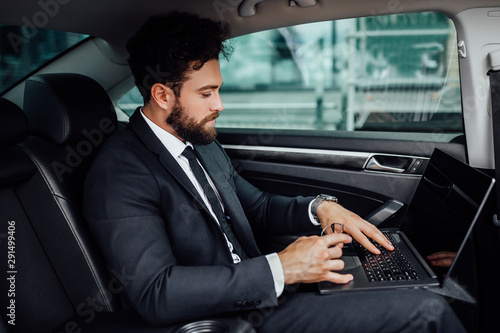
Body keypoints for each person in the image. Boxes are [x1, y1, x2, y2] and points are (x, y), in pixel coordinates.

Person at [83, 12, 466, 332]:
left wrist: (321, 209)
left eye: (218, 89)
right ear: (163, 95)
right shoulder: (120, 172)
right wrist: (281, 268)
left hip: (270, 290)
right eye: (206, 93)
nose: (219, 104)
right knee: (428, 313)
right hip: (231, 317)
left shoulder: (199, 141)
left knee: (421, 285)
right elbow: (155, 293)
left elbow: (259, 206)